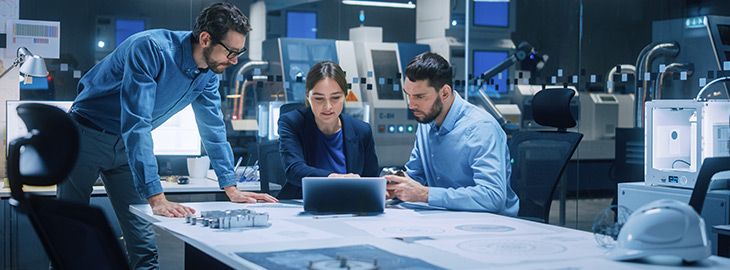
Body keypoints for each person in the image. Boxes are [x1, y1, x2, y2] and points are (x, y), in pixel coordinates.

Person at [58, 3, 277, 269]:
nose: (233, 61)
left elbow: (213, 128)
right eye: (231, 52)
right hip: (86, 135)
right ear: (206, 38)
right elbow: (136, 124)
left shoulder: (208, 74)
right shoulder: (150, 49)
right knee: (70, 235)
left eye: (238, 53)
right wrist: (156, 197)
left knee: (144, 243)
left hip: (127, 149)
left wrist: (230, 186)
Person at [385, 52, 519, 216]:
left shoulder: (481, 128)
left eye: (420, 97)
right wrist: (394, 186)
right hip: (445, 218)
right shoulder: (427, 122)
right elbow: (416, 176)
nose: (411, 105)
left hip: (490, 224)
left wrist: (425, 194)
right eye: (408, 95)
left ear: (445, 93)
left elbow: (493, 197)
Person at [277, 61, 380, 199]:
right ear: (308, 95)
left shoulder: (362, 130)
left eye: (335, 98)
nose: (328, 107)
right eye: (319, 99)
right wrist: (335, 178)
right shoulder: (292, 123)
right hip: (304, 205)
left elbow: (371, 181)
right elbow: (294, 169)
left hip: (351, 209)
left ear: (345, 95)